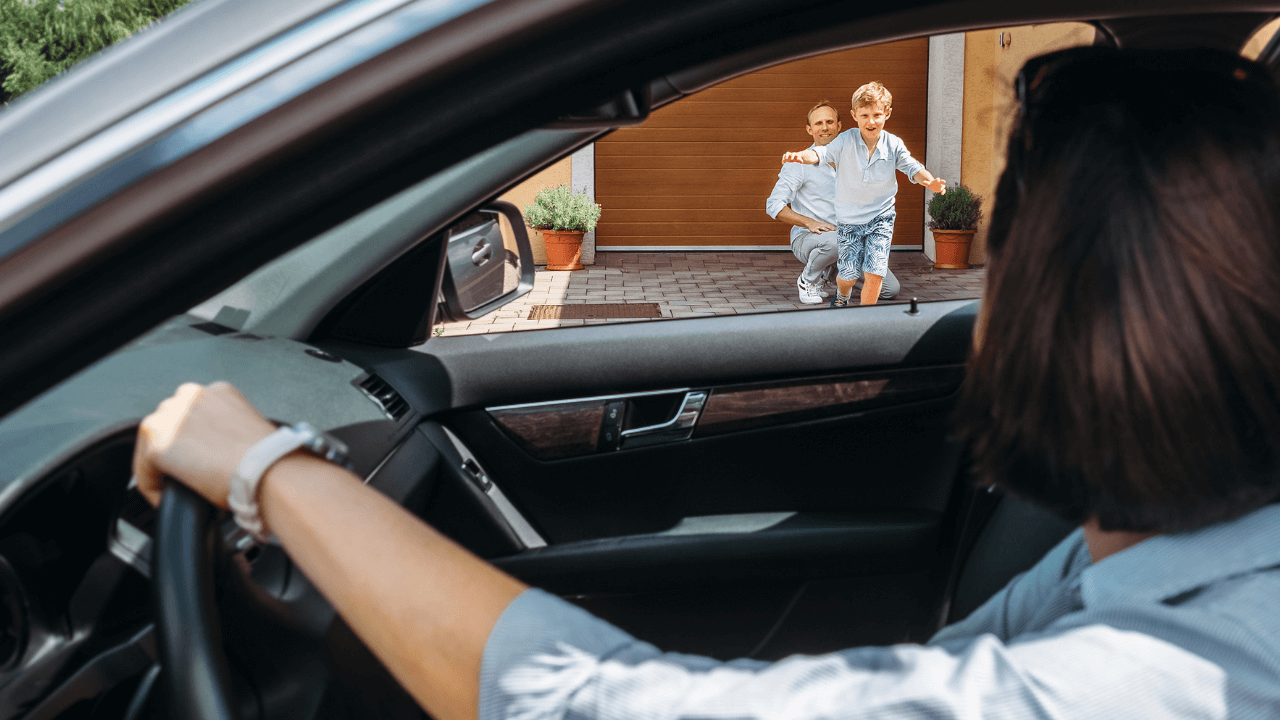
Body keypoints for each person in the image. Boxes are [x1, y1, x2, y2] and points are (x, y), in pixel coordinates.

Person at [135, 47, 1280, 719]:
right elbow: (923, 678)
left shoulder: (1179, 671)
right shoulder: (1127, 561)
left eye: (1002, 259)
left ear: (1061, 316)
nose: (978, 287)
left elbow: (607, 706)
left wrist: (265, 469)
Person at [782, 82, 946, 307]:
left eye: (877, 115)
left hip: (880, 220)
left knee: (877, 276)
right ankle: (837, 289)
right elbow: (820, 153)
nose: (871, 121)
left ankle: (864, 314)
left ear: (887, 114)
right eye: (865, 115)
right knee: (847, 276)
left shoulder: (894, 144)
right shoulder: (845, 140)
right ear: (854, 116)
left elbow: (913, 167)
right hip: (849, 222)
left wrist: (930, 182)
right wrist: (802, 157)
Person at [766, 101, 900, 304]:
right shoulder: (799, 164)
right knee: (836, 241)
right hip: (809, 239)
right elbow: (774, 205)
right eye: (818, 123)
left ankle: (829, 271)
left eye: (829, 122)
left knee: (890, 290)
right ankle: (808, 280)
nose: (825, 127)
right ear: (810, 129)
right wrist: (809, 222)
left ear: (839, 126)